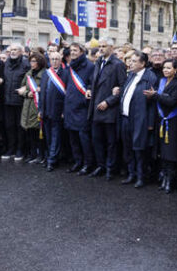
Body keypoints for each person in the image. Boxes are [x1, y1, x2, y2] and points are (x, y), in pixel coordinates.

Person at [87, 38, 126, 178]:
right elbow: (94, 82)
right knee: (97, 140)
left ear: (112, 47)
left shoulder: (118, 64)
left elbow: (123, 88)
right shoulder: (98, 62)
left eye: (104, 46)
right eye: (100, 46)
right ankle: (101, 165)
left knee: (111, 142)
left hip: (109, 110)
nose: (101, 49)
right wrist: (89, 89)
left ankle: (110, 168)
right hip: (96, 108)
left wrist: (108, 102)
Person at [148, 60, 177, 194]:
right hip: (161, 119)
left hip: (173, 119)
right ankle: (164, 177)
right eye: (164, 68)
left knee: (171, 152)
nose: (165, 70)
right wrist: (156, 96)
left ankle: (171, 180)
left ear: (175, 70)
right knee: (162, 151)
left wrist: (156, 96)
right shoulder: (161, 81)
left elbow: (172, 101)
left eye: (169, 68)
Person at [119, 51, 157, 187]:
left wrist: (150, 123)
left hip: (140, 119)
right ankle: (131, 174)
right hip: (126, 118)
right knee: (128, 147)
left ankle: (141, 176)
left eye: (134, 61)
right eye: (130, 60)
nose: (130, 63)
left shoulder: (150, 77)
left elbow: (152, 102)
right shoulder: (131, 76)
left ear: (142, 63)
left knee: (139, 149)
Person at [63, 43, 95, 173]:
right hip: (70, 107)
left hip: (82, 108)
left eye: (75, 50)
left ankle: (88, 164)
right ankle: (78, 161)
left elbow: (92, 83)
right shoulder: (70, 66)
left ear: (82, 51)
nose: (73, 52)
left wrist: (88, 89)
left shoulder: (90, 66)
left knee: (84, 139)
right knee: (73, 139)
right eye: (71, 50)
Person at [2, 44, 29, 161]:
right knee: (9, 126)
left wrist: (25, 89)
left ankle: (20, 149)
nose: (12, 52)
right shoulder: (7, 63)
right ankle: (11, 148)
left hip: (20, 101)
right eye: (11, 50)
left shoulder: (26, 64)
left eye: (15, 50)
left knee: (20, 127)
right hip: (7, 101)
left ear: (21, 52)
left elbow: (31, 81)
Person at [40, 51, 66, 172]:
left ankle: (52, 160)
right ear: (49, 60)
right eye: (52, 59)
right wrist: (41, 109)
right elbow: (42, 94)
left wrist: (64, 111)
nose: (54, 61)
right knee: (48, 136)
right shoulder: (46, 74)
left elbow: (67, 95)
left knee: (56, 136)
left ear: (61, 60)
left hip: (57, 110)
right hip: (46, 110)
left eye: (57, 59)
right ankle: (51, 156)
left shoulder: (65, 74)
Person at [19, 52, 46, 164]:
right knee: (30, 133)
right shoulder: (28, 74)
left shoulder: (45, 74)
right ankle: (32, 154)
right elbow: (22, 88)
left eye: (34, 61)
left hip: (38, 106)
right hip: (28, 106)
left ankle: (41, 155)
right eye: (31, 61)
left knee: (39, 133)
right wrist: (27, 93)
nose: (32, 63)